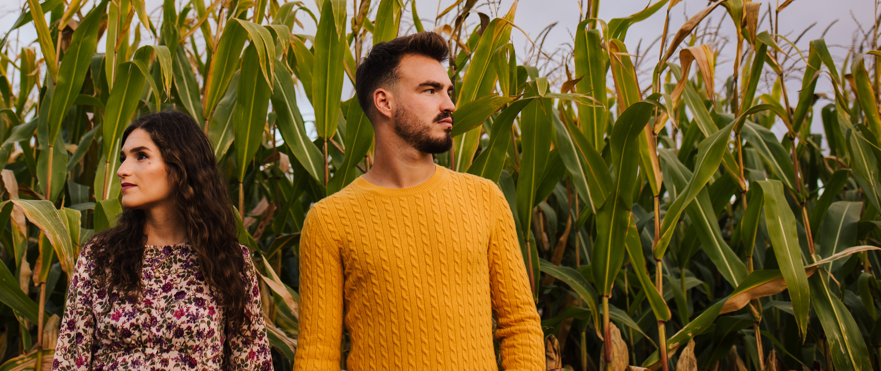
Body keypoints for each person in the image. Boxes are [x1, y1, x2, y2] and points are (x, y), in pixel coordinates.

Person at [294, 31, 545, 371]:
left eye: (448, 91)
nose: (450, 105)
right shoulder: (329, 220)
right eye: (430, 90)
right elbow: (318, 354)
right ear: (385, 102)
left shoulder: (485, 198)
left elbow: (520, 324)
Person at [53, 110, 274, 371]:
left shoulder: (228, 261)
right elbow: (70, 360)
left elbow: (252, 363)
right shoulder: (100, 258)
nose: (122, 170)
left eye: (141, 156)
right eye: (124, 158)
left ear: (180, 164)